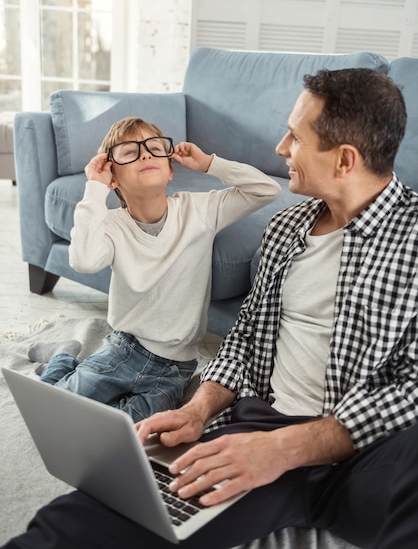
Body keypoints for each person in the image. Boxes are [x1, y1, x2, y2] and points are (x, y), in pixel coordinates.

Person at [5, 68, 418, 549]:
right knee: (78, 523)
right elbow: (244, 337)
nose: (280, 149)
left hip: (371, 450)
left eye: (295, 137)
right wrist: (200, 409)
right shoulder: (287, 229)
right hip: (255, 426)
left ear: (345, 159)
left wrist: (288, 448)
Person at [27, 116, 280, 422]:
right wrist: (94, 188)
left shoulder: (199, 211)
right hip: (123, 351)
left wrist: (209, 163)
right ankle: (64, 356)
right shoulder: (111, 226)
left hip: (176, 368)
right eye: (129, 152)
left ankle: (66, 364)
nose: (145, 154)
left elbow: (266, 190)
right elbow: (84, 260)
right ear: (113, 178)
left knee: (129, 432)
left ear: (170, 168)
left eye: (154, 147)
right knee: (54, 412)